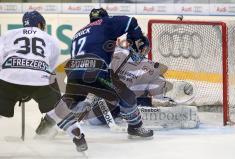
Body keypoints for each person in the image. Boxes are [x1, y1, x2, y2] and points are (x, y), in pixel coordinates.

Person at [36, 8, 154, 152]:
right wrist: (137, 38)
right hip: (95, 70)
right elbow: (131, 21)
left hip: (74, 73)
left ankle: (45, 126)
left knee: (70, 101)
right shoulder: (106, 23)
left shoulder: (78, 33)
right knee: (126, 95)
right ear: (104, 17)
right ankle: (135, 127)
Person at [0, 11, 61, 132]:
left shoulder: (8, 34)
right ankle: (46, 129)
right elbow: (51, 67)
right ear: (39, 24)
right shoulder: (50, 39)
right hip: (40, 81)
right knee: (58, 105)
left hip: (10, 78)